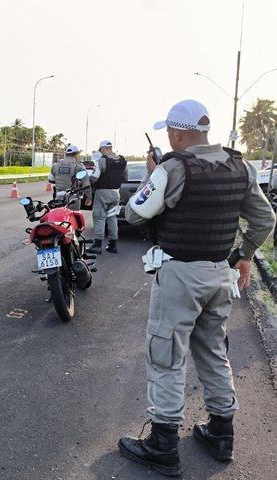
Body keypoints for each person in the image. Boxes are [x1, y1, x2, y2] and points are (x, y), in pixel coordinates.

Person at [117, 99, 275, 477]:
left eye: (170, 132)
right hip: (220, 273)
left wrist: (153, 176)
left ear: (176, 132)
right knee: (213, 352)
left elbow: (135, 213)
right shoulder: (240, 165)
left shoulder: (172, 168)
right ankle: (221, 434)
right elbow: (264, 219)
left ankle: (163, 445)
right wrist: (244, 255)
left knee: (167, 355)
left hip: (180, 276)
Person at [86, 140, 127, 254]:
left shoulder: (102, 161)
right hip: (116, 193)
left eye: (100, 150)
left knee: (99, 217)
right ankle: (112, 245)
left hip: (102, 193)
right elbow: (126, 177)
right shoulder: (122, 161)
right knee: (112, 218)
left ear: (103, 148)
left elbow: (94, 178)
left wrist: (88, 179)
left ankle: (97, 245)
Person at [48, 145, 92, 211]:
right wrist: (89, 197)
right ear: (76, 154)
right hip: (73, 200)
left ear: (66, 154)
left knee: (60, 216)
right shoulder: (79, 167)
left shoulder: (56, 165)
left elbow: (51, 180)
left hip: (58, 199)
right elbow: (86, 184)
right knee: (73, 216)